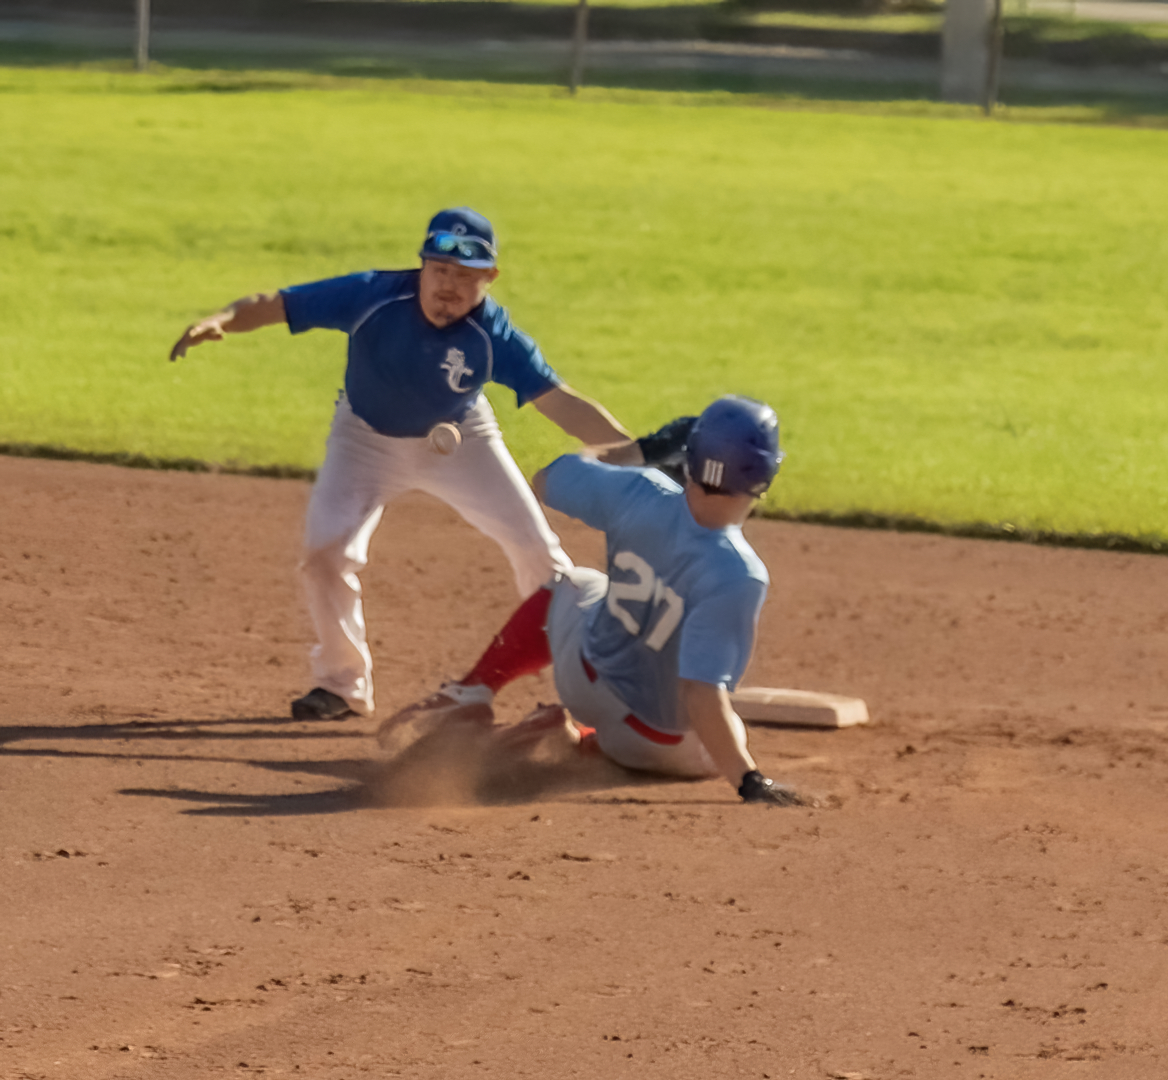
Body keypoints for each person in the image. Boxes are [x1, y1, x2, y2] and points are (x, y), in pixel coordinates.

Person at [169, 207, 630, 721]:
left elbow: (560, 403)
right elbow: (281, 304)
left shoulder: (494, 335)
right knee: (326, 553)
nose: (448, 287)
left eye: (465, 276)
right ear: (422, 267)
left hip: (462, 439)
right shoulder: (373, 295)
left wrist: (636, 452)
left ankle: (588, 682)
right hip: (363, 440)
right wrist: (223, 320)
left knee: (538, 552)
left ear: (489, 279)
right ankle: (342, 686)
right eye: (440, 270)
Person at [379, 395, 808, 806]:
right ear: (762, 478)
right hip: (647, 741)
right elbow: (701, 694)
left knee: (576, 582)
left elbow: (548, 479)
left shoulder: (640, 490)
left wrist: (636, 453)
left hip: (581, 680)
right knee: (722, 732)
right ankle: (579, 744)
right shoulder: (738, 574)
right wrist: (750, 780)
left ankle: (475, 690)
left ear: (689, 457)